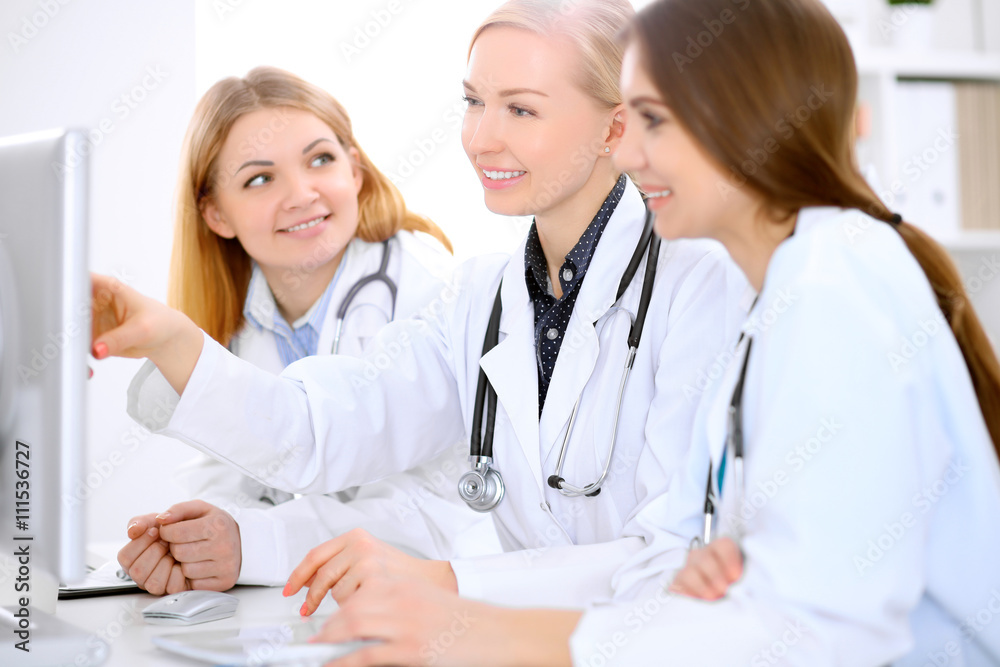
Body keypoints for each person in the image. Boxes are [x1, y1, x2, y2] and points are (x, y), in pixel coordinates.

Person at [280, 0, 1000, 664]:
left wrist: (477, 628)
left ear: (744, 120)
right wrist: (725, 566)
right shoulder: (776, 293)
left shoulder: (830, 285)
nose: (625, 154)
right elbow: (680, 557)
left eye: (653, 121)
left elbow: (818, 625)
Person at [92, 0, 748, 612]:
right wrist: (169, 339)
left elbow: (670, 555)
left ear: (616, 125)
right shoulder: (481, 298)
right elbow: (318, 429)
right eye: (473, 102)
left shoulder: (701, 279)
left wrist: (448, 582)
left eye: (520, 110)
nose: (480, 138)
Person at [114, 66, 500, 596]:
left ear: (355, 172)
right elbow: (232, 481)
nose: (301, 194)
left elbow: (442, 515)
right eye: (259, 178)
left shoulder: (428, 292)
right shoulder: (243, 320)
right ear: (216, 214)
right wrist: (190, 542)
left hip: (439, 605)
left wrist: (251, 545)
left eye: (321, 159)